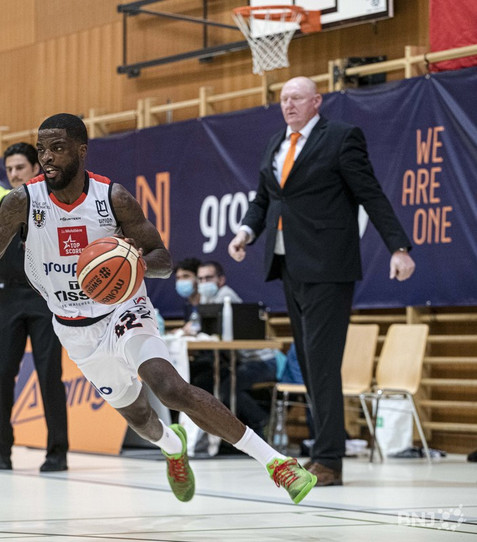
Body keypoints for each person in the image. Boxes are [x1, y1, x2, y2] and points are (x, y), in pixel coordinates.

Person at [0, 112, 317, 503]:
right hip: (75, 329)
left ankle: (277, 463)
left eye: (57, 148)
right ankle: (171, 446)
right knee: (140, 418)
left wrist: (135, 264)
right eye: (42, 149)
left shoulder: (112, 198)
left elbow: (163, 257)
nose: (47, 157)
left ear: (82, 151)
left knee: (170, 388)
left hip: (123, 310)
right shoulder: (22, 202)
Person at [228, 76, 416, 486]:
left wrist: (399, 248)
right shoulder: (277, 143)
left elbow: (371, 194)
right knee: (310, 364)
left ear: (317, 101)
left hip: (329, 266)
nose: (288, 104)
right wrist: (246, 232)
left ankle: (329, 459)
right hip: (288, 265)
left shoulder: (341, 137)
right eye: (282, 99)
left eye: (296, 97)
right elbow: (265, 198)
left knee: (324, 363)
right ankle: (323, 449)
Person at [0, 104, 68, 472]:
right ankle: (2, 447)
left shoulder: (54, 200)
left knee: (49, 374)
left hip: (45, 297)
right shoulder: (2, 200)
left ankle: (57, 452)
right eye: (8, 170)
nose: (14, 174)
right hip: (7, 297)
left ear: (36, 168)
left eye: (20, 167)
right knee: (2, 374)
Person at [192, 261, 278, 439]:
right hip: (238, 360)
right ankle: (214, 435)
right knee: (204, 381)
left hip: (262, 362)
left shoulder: (226, 296)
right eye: (200, 279)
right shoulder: (206, 298)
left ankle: (263, 420)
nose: (204, 283)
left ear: (221, 280)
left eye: (208, 278)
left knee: (226, 389)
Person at [173, 257, 202, 336]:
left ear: (198, 278)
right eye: (178, 278)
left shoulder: (208, 301)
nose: (181, 281)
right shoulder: (188, 305)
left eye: (186, 276)